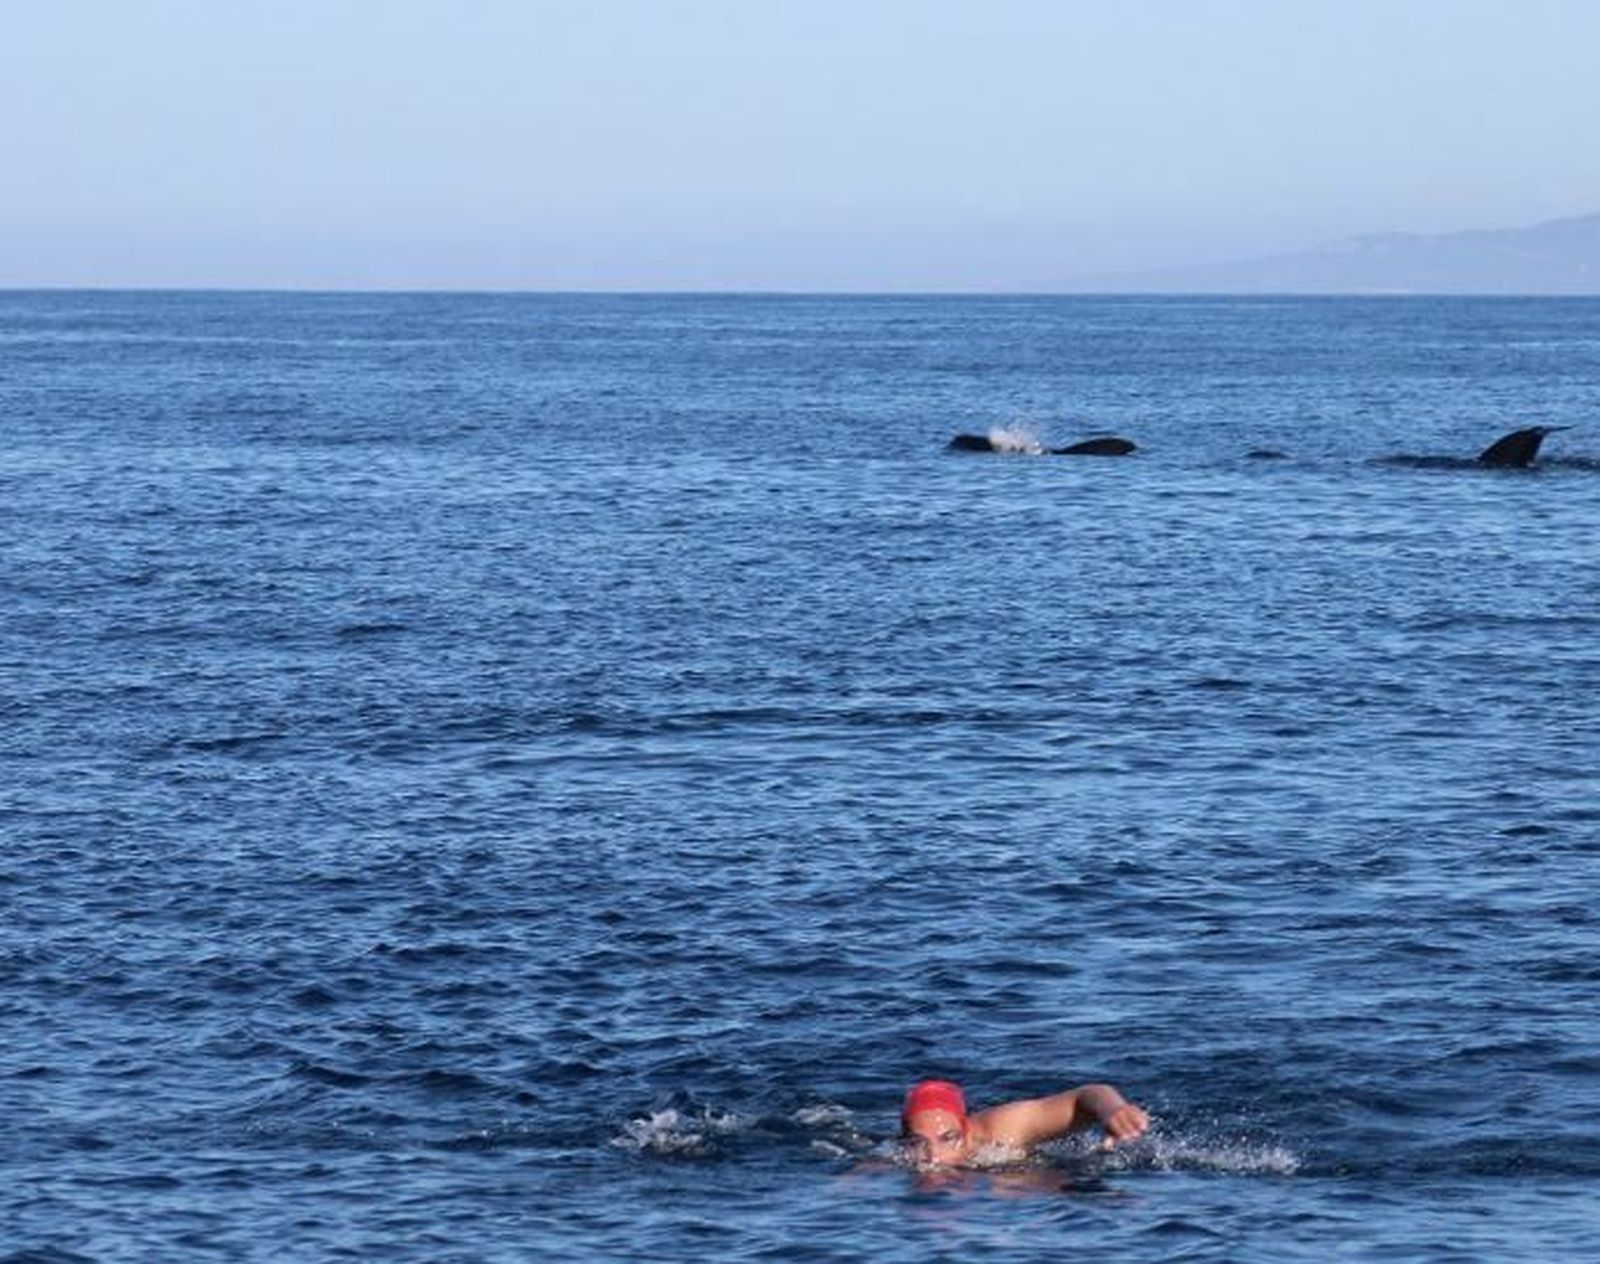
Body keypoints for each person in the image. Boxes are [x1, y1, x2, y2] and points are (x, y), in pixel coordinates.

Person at [899, 1078, 1149, 1167]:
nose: (933, 1157)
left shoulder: (1001, 1129)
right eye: (918, 1143)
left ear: (966, 1130)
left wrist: (1112, 1110)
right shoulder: (895, 1160)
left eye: (948, 1138)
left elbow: (1086, 1095)